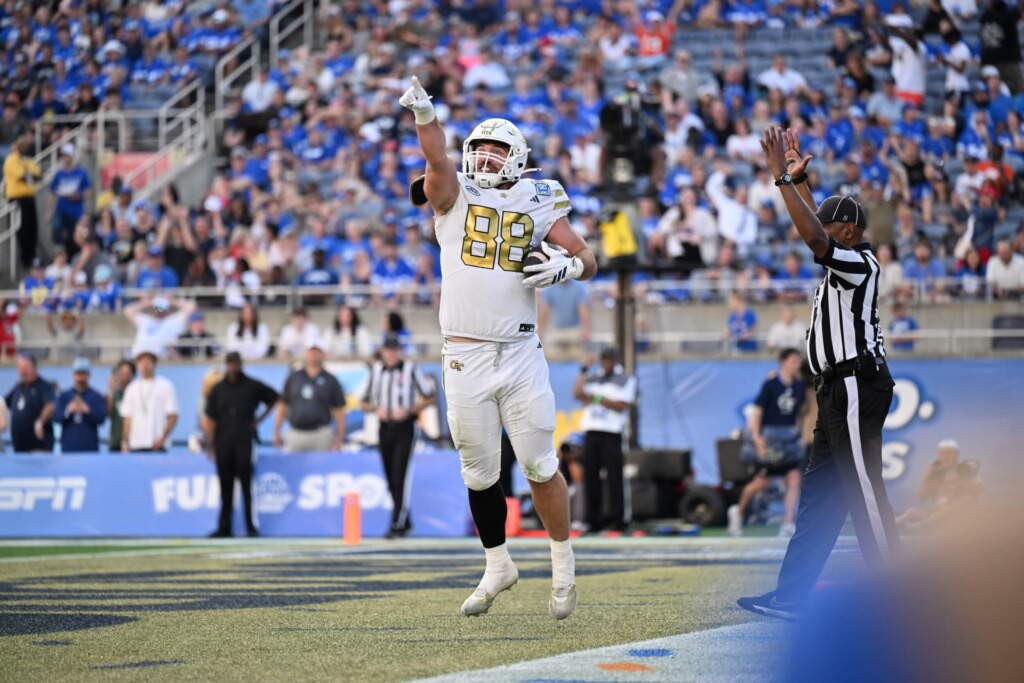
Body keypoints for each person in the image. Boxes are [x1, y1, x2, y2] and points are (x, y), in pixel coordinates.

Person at [401, 76, 597, 619]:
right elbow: (435, 159)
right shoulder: (452, 191)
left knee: (539, 464)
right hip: (464, 355)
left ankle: (563, 565)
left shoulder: (540, 197)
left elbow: (588, 256)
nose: (485, 158)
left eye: (497, 150)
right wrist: (425, 118)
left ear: (518, 158)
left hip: (518, 352)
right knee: (479, 473)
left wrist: (569, 266)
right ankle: (497, 564)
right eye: (480, 148)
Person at [739, 128, 897, 621]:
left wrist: (783, 181)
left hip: (855, 383)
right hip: (835, 388)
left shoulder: (860, 263)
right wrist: (800, 181)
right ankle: (792, 596)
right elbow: (818, 229)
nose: (821, 230)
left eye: (832, 225)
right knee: (820, 499)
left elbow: (815, 237)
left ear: (847, 230)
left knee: (864, 488)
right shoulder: (843, 259)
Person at [360, 334, 436, 538]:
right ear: (383, 352)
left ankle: (396, 523)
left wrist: (410, 410)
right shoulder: (376, 371)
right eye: (388, 350)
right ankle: (405, 521)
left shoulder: (411, 369)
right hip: (385, 427)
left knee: (400, 474)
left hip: (405, 427)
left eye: (395, 350)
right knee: (389, 475)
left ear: (400, 351)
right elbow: (363, 402)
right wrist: (377, 409)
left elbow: (429, 397)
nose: (392, 354)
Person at [728, 348, 809, 538]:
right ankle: (738, 512)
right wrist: (757, 438)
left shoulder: (799, 386)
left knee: (794, 478)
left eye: (798, 361)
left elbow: (800, 413)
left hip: (789, 438)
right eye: (793, 361)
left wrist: (798, 434)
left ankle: (787, 523)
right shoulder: (770, 384)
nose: (796, 365)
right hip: (770, 437)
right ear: (783, 362)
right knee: (761, 481)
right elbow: (758, 412)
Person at [203, 352, 279, 538]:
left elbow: (274, 398)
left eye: (235, 363)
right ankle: (224, 527)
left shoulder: (252, 385)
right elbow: (211, 418)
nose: (232, 367)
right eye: (229, 364)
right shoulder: (218, 389)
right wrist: (211, 443)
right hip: (223, 442)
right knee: (225, 486)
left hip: (244, 441)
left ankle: (250, 526)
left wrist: (258, 420)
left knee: (246, 485)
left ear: (240, 364)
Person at [573, 347, 637, 533]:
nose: (605, 363)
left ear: (615, 360)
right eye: (603, 360)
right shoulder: (594, 377)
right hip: (592, 431)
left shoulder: (626, 378)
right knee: (591, 477)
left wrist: (596, 398)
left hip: (612, 432)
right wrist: (584, 370)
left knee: (615, 477)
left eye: (609, 360)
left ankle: (618, 520)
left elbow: (621, 405)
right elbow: (578, 394)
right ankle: (593, 520)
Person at [273, 339, 346, 452]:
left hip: (321, 433)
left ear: (323, 354)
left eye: (317, 352)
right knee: (293, 462)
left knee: (322, 463)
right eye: (311, 352)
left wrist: (340, 437)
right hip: (296, 433)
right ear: (305, 354)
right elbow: (283, 405)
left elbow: (339, 410)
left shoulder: (330, 379)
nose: (313, 355)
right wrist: (277, 431)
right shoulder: (294, 377)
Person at [120, 349, 179, 452]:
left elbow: (173, 415)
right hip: (136, 445)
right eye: (142, 362)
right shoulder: (131, 388)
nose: (145, 365)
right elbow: (127, 418)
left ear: (154, 364)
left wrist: (163, 438)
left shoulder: (166, 385)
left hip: (158, 444)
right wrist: (125, 441)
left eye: (148, 362)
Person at [3, 134, 41, 268]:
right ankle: (26, 260)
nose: (24, 147)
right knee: (23, 230)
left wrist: (29, 175)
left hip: (29, 198)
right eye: (21, 145)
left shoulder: (28, 160)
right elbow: (22, 176)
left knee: (33, 229)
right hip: (17, 200)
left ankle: (32, 257)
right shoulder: (11, 160)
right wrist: (30, 175)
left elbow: (38, 174)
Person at [54, 358, 106, 453]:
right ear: (73, 375)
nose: (80, 377)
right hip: (69, 448)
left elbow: (101, 419)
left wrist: (88, 410)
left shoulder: (96, 396)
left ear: (88, 375)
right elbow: (56, 418)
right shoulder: (64, 396)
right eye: (78, 373)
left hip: (90, 448)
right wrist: (68, 410)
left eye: (83, 373)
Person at [5, 353, 55, 452]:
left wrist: (40, 421)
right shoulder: (18, 387)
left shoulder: (44, 386)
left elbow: (50, 405)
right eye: (20, 368)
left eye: (26, 367)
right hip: (19, 447)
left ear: (35, 367)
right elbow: (4, 402)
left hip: (38, 447)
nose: (23, 371)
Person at [48, 144, 91, 252]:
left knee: (76, 237)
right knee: (57, 231)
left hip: (76, 211)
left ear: (72, 156)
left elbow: (89, 191)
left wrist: (79, 196)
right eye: (63, 155)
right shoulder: (58, 174)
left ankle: (74, 255)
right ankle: (60, 254)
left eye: (67, 155)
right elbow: (52, 193)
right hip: (61, 210)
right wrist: (49, 212)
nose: (65, 158)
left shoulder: (81, 172)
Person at [125, 296, 196, 358]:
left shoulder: (174, 321)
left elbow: (191, 306)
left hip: (162, 358)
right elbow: (128, 310)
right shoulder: (145, 320)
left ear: (167, 308)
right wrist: (148, 302)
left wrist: (172, 300)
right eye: (157, 308)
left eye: (162, 308)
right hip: (140, 356)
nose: (160, 311)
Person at [538, 278, 591, 353]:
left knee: (576, 355)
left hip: (575, 330)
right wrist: (540, 332)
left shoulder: (580, 287)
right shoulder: (549, 288)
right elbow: (543, 312)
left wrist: (586, 331)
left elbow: (583, 311)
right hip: (557, 330)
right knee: (552, 355)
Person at [106, 359, 135, 453]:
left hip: (134, 444)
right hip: (115, 442)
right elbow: (108, 414)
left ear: (133, 375)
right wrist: (111, 391)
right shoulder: (114, 394)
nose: (124, 377)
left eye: (127, 373)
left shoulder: (137, 394)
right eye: (122, 373)